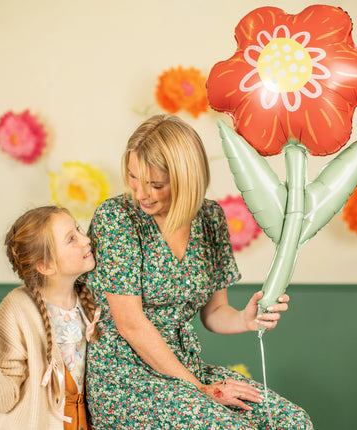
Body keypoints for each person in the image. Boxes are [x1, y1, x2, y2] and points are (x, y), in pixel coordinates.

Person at [85, 114, 313, 429]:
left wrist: (243, 319)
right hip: (126, 378)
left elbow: (214, 312)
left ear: (185, 178)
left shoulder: (210, 218)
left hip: (186, 368)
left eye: (155, 184)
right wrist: (199, 388)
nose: (140, 193)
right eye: (133, 177)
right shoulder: (117, 218)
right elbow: (131, 324)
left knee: (292, 422)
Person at [0, 206, 100, 430]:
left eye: (79, 230)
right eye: (71, 239)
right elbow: (4, 400)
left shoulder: (93, 300)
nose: (86, 240)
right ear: (45, 266)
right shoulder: (15, 310)